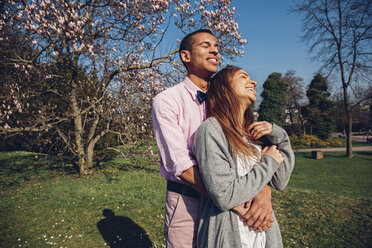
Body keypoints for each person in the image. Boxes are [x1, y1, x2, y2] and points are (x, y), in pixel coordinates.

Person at [152, 30, 274, 247]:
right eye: (206, 45)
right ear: (186, 56)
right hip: (188, 199)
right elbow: (180, 165)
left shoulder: (228, 99)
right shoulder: (166, 101)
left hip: (235, 197)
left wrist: (263, 190)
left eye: (216, 46)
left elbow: (252, 151)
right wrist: (231, 200)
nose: (215, 50)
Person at [193, 65, 295, 247]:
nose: (254, 82)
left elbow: (280, 181)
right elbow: (224, 195)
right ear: (225, 88)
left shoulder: (254, 133)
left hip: (262, 236)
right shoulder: (212, 130)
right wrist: (268, 163)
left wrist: (280, 136)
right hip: (229, 234)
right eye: (243, 77)